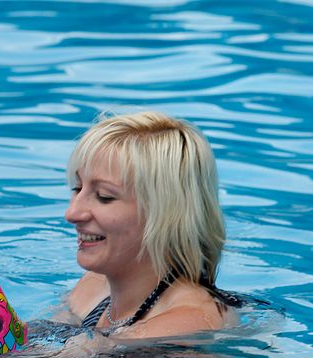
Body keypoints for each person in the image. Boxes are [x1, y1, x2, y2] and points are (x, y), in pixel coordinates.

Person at [58, 110, 239, 343]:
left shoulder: (190, 322)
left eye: (104, 196)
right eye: (77, 188)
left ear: (167, 214)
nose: (72, 213)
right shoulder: (92, 287)